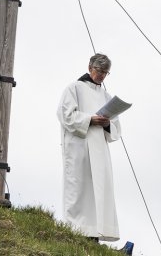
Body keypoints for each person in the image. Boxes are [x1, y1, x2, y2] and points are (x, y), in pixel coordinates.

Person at [57, 53, 122, 242]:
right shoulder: (74, 88)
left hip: (99, 150)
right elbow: (65, 115)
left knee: (99, 192)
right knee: (78, 190)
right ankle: (76, 232)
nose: (101, 75)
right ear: (90, 67)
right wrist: (90, 119)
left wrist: (107, 124)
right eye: (99, 70)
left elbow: (116, 128)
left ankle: (95, 234)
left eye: (105, 72)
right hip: (79, 147)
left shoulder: (106, 96)